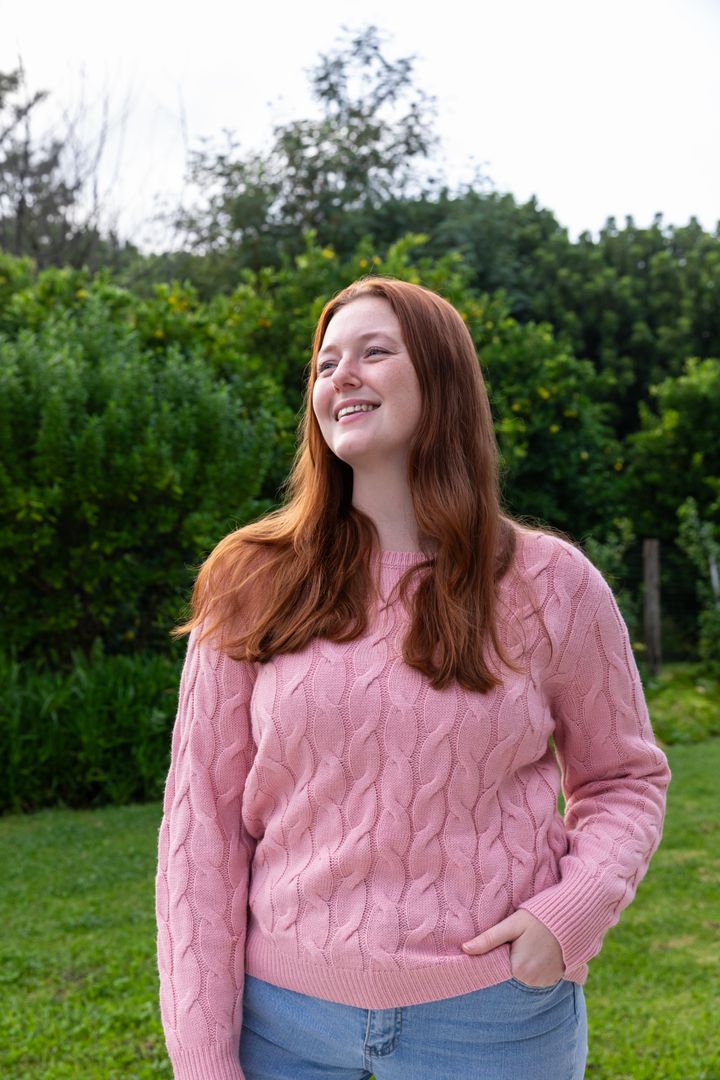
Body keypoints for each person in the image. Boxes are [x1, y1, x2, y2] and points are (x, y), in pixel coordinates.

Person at [155, 277, 670, 1080]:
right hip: (283, 1028)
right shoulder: (250, 579)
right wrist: (203, 1061)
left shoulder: (551, 584)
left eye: (373, 352)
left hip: (492, 1022)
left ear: (443, 380)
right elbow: (201, 834)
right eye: (326, 364)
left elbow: (626, 778)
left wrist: (568, 915)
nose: (340, 376)